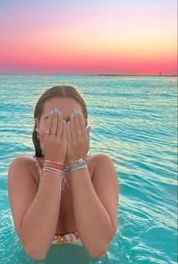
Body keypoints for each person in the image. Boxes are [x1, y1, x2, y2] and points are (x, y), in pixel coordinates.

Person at [8, 85, 119, 262]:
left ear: (84, 127)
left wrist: (77, 163)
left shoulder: (100, 165)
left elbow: (98, 248)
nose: (61, 129)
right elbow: (35, 250)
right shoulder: (24, 168)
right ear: (37, 125)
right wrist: (53, 163)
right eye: (52, 121)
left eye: (71, 121)